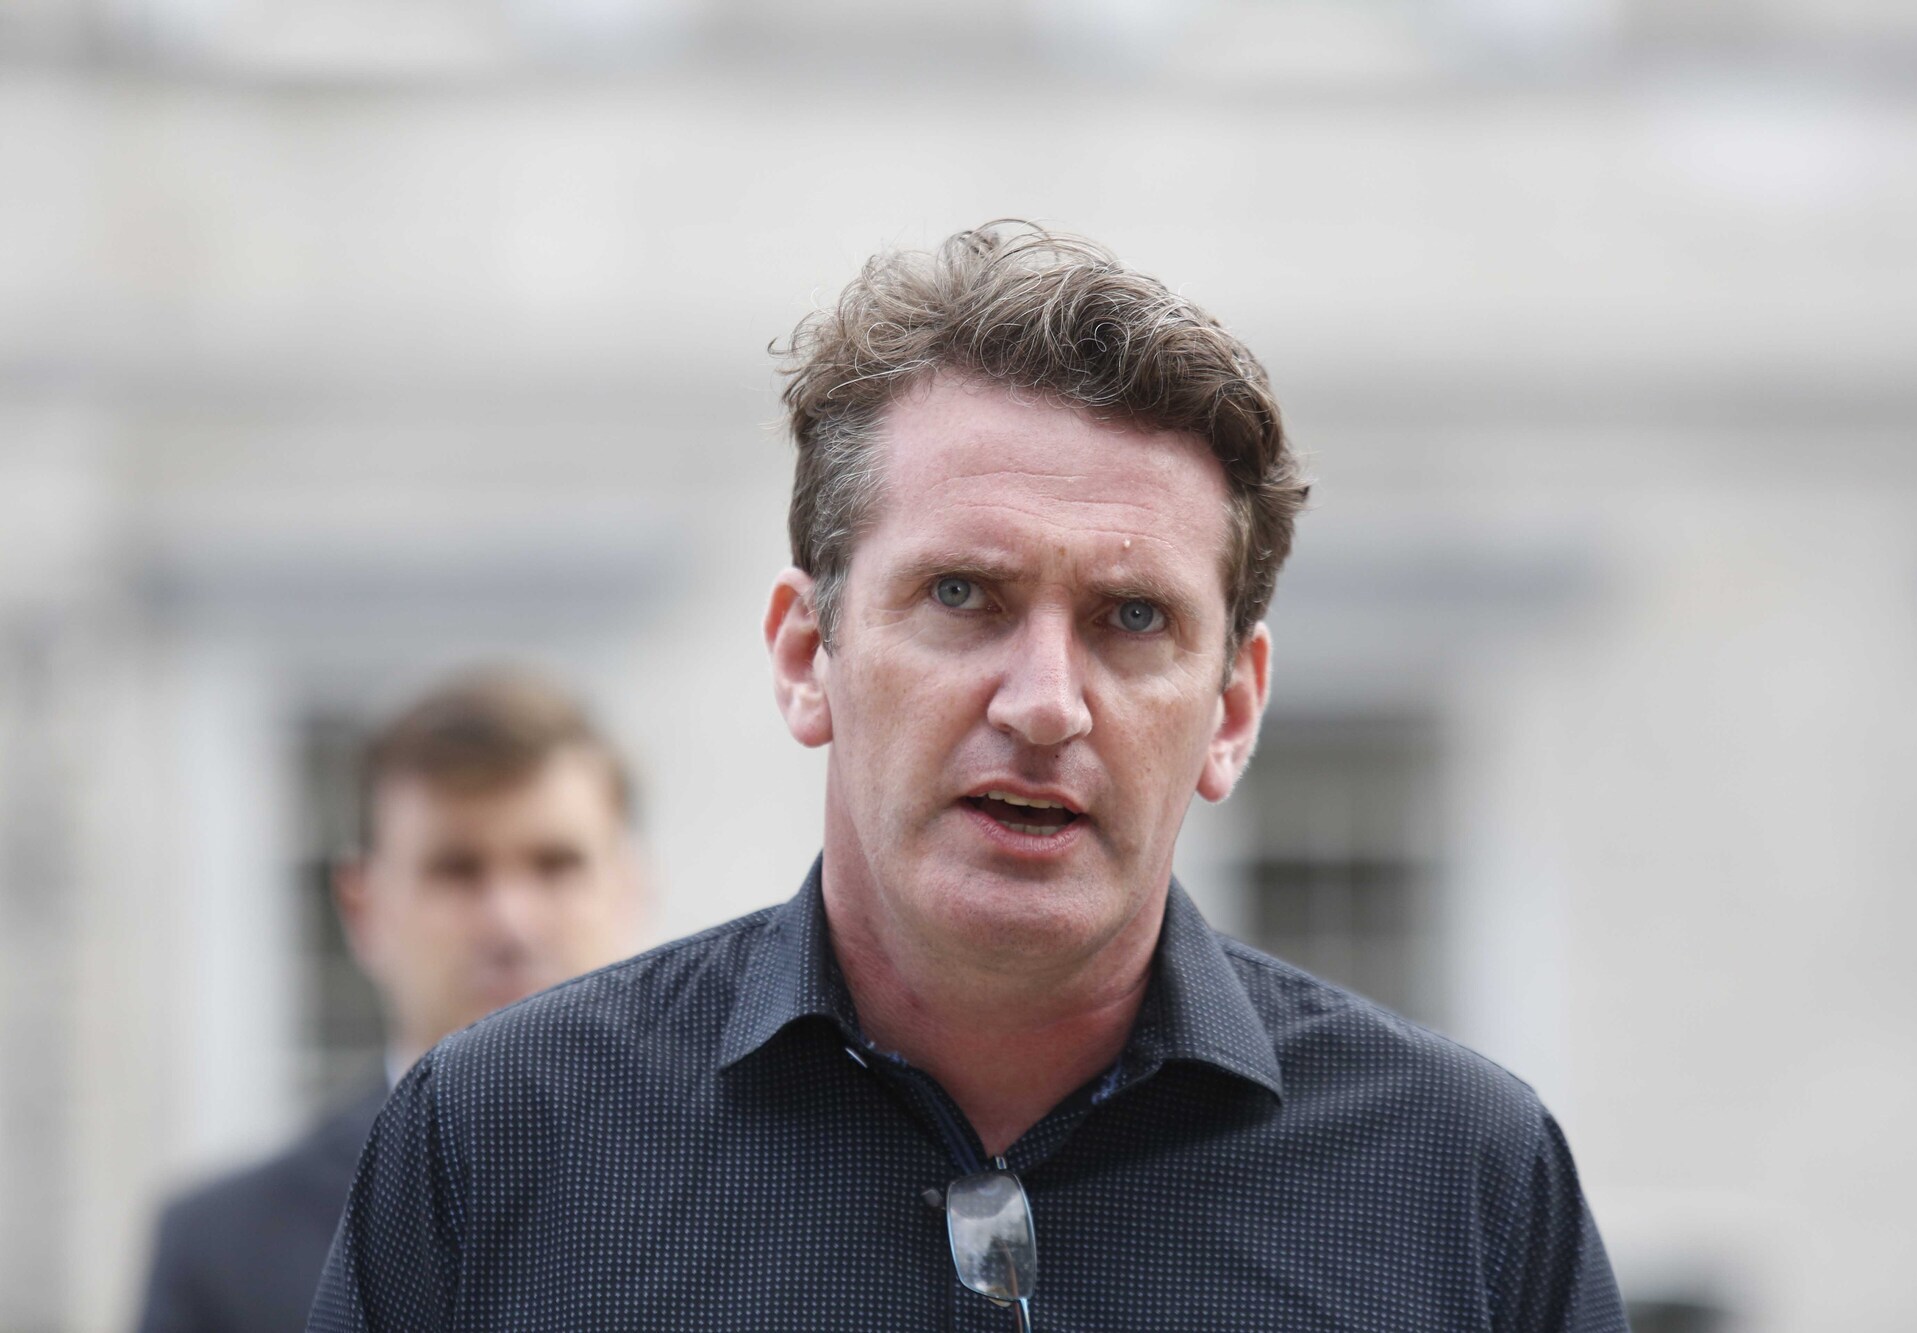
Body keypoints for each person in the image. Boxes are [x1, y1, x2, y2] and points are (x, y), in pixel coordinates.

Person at [308, 223, 1628, 1331]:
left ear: (1232, 709)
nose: (1045, 702)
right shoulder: (496, 1145)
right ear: (806, 656)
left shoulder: (1466, 1188)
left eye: (1131, 618)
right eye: (961, 594)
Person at [137, 672, 647, 1333]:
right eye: (456, 870)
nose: (510, 921)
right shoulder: (225, 1251)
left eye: (556, 865)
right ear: (362, 908)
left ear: (630, 889)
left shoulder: (749, 1188)